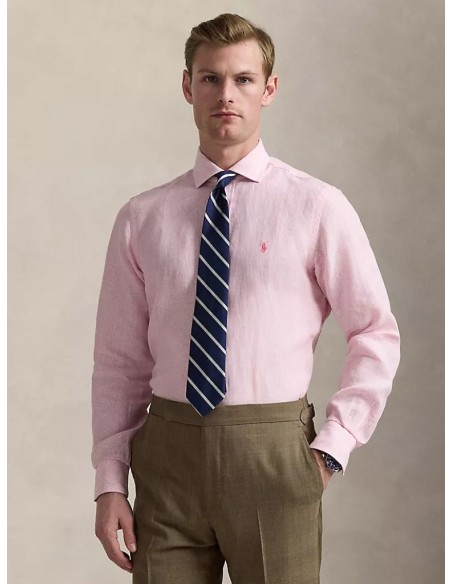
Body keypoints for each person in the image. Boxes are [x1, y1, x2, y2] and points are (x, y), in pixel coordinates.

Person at [91, 12, 401, 584]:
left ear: (269, 89)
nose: (226, 94)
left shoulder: (317, 207)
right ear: (188, 86)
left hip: (275, 459)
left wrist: (332, 448)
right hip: (167, 462)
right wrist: (110, 482)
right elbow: (119, 362)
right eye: (210, 78)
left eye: (243, 79)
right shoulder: (142, 218)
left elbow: (374, 332)